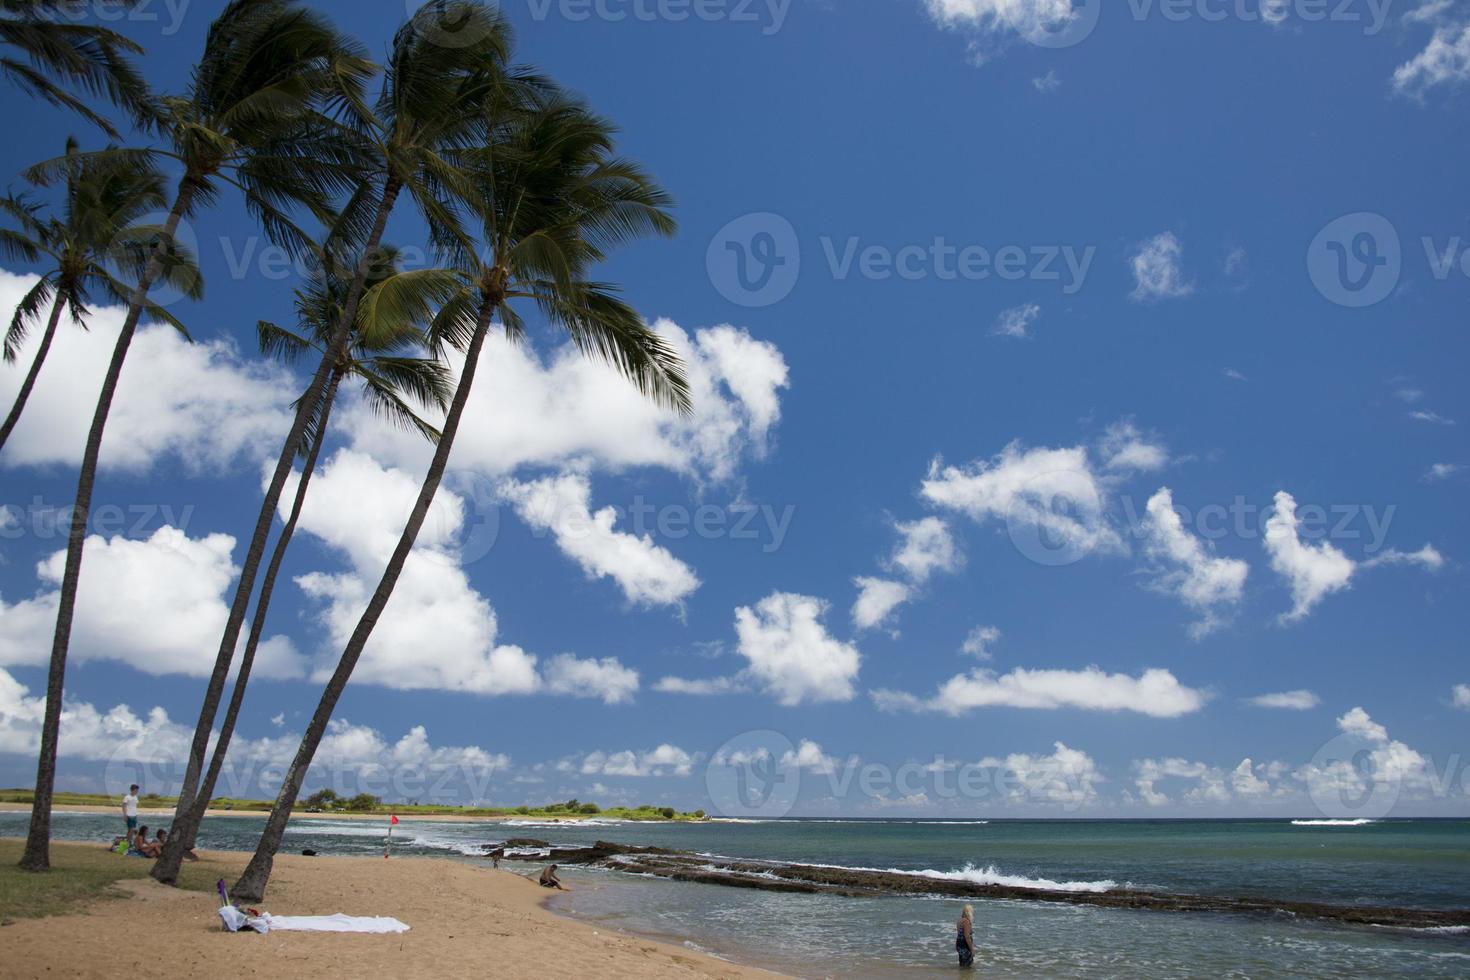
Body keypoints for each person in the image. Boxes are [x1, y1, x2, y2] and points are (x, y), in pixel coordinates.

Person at [955, 904, 975, 969]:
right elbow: (967, 936)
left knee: (962, 964)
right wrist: (972, 949)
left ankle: (961, 976)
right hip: (964, 945)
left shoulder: (960, 921)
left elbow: (959, 934)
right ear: (969, 912)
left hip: (959, 944)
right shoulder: (966, 921)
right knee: (968, 966)